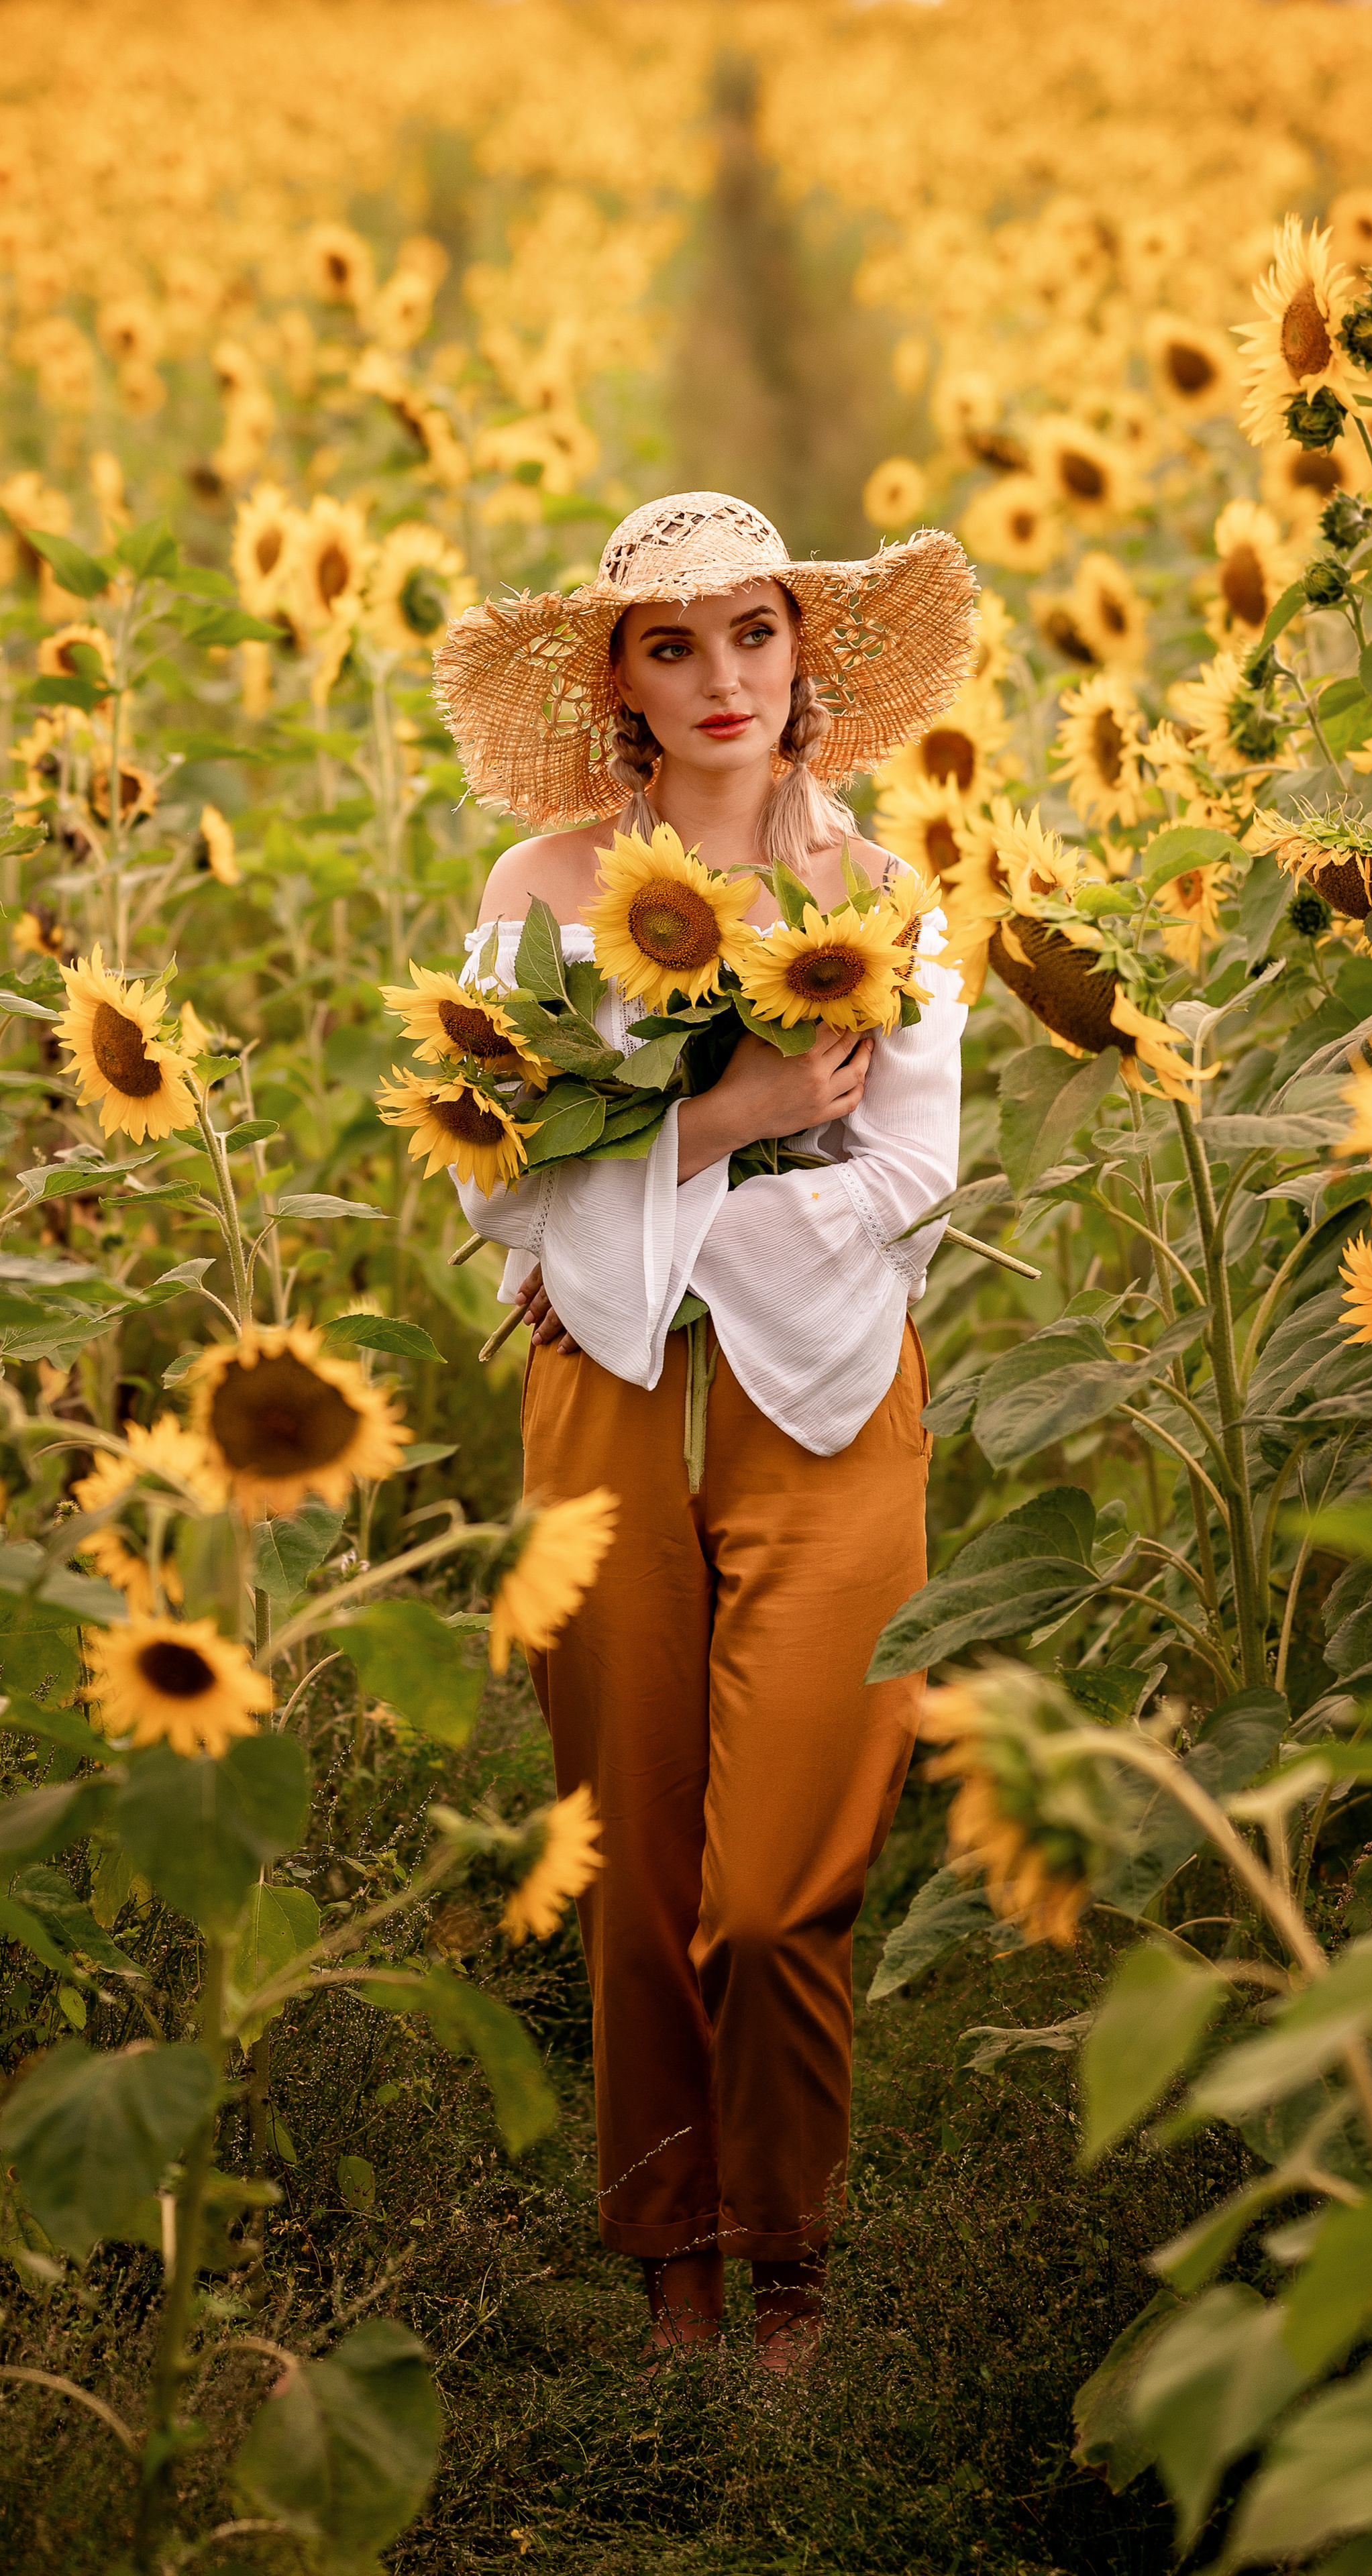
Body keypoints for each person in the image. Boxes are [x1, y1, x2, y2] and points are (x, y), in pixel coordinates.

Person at [433, 492, 976, 2370]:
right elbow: (495, 1183)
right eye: (673, 645)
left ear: (805, 652)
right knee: (635, 1851)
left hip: (827, 1393)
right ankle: (676, 2247)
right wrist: (731, 1116)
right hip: (606, 1393)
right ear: (617, 683)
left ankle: (792, 2243)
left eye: (752, 633)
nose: (722, 677)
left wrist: (661, 1203)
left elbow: (917, 1164)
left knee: (779, 1879)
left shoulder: (883, 889)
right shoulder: (536, 894)